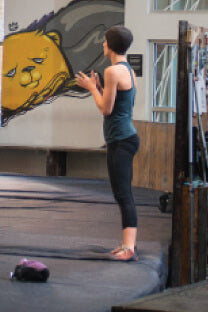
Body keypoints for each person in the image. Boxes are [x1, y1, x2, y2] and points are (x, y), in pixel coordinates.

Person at [74, 27, 140, 261]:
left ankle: (130, 248)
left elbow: (106, 109)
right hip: (122, 138)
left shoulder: (113, 71)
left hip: (122, 140)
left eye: (103, 42)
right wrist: (100, 88)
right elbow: (116, 103)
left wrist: (91, 88)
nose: (102, 45)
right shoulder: (126, 69)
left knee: (124, 194)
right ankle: (126, 244)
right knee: (120, 193)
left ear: (110, 46)